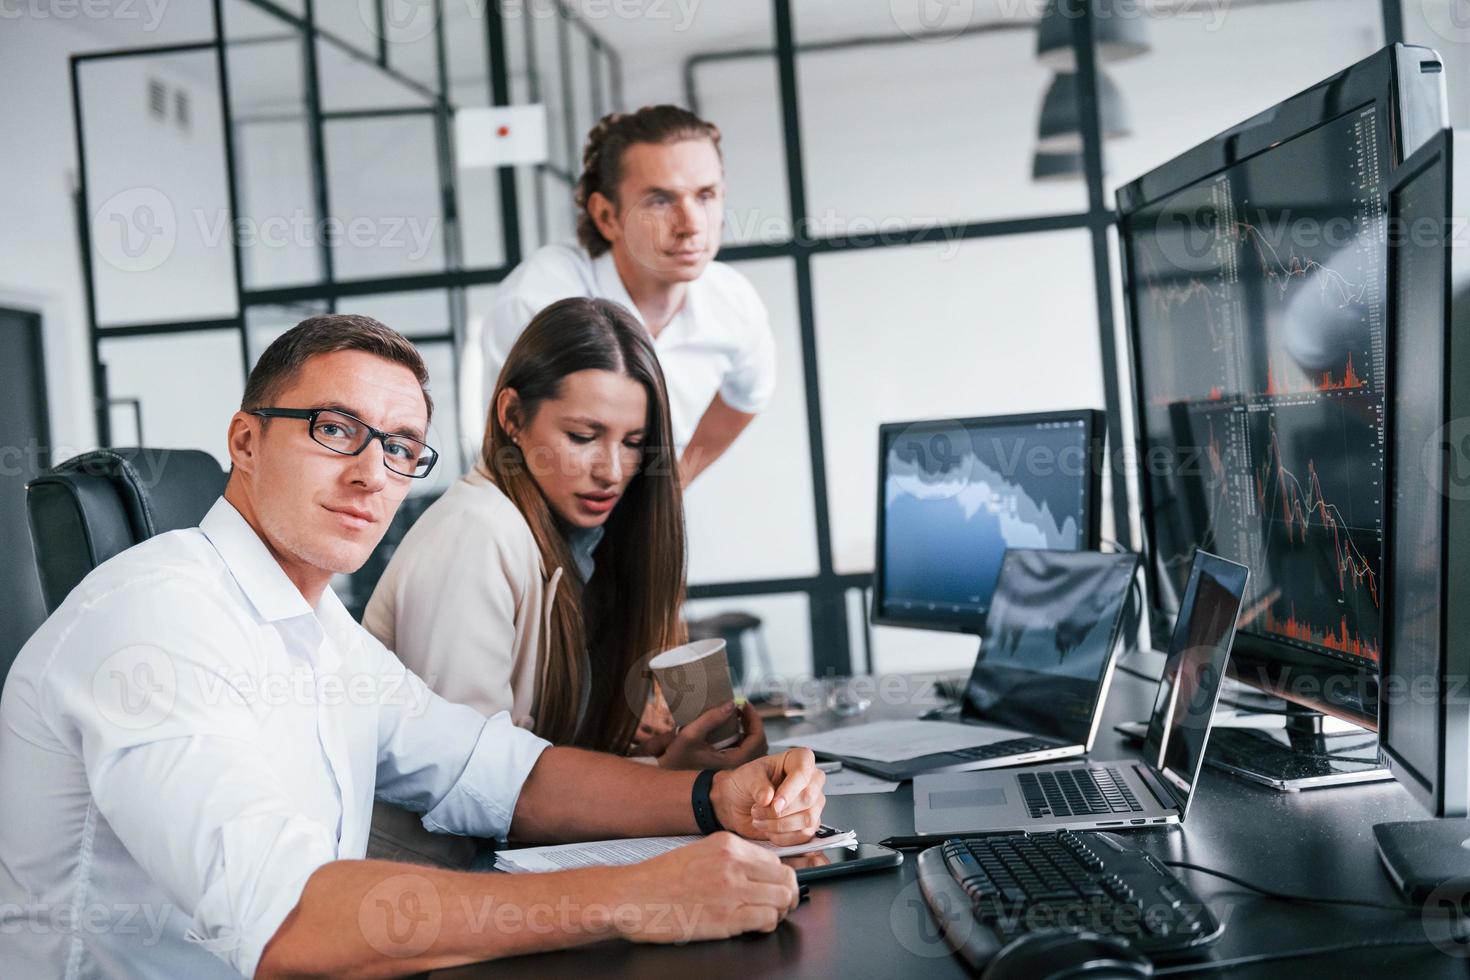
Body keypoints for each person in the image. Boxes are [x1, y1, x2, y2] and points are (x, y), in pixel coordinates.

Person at [0, 314, 825, 978]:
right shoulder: (155, 620)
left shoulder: (322, 629)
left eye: (399, 447)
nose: (372, 474)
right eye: (334, 429)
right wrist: (634, 895)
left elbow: (499, 774)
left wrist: (716, 799)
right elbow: (283, 920)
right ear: (245, 443)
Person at [366, 298, 767, 866]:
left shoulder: (582, 542)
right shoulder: (478, 534)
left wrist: (668, 767)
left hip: (502, 870)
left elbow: (538, 770)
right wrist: (680, 791)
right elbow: (475, 792)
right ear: (512, 417)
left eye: (633, 443)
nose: (611, 470)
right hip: (432, 894)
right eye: (583, 436)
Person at [483, 104, 775, 486]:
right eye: (660, 200)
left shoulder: (733, 302)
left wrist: (670, 488)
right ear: (606, 216)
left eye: (706, 195)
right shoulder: (538, 303)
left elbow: (746, 398)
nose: (691, 225)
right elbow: (506, 444)